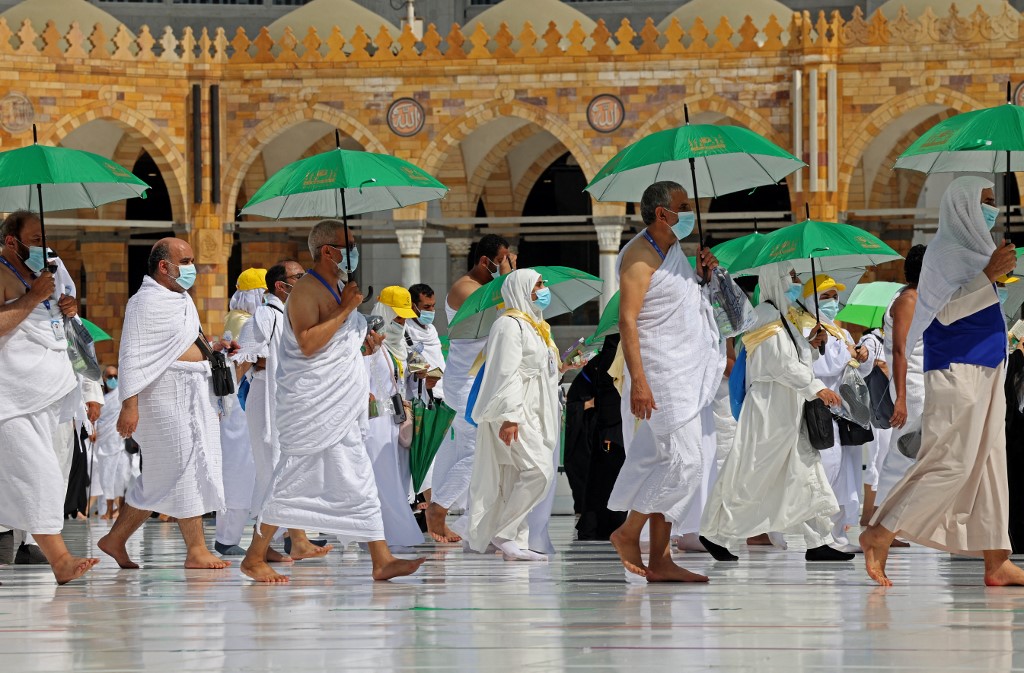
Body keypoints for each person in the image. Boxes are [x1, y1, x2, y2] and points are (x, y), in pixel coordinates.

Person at [861, 176, 1024, 587]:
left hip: (987, 369)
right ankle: (881, 531)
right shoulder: (944, 252)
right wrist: (988, 275)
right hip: (956, 369)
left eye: (993, 201)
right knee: (950, 461)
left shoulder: (981, 251)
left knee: (990, 465)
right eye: (985, 201)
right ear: (963, 205)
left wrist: (992, 271)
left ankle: (996, 561)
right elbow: (943, 313)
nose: (993, 209)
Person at [241, 220, 425, 583]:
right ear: (328, 251)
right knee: (292, 478)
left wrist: (362, 343)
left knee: (359, 481)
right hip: (314, 407)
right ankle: (253, 556)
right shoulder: (307, 290)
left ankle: (381, 558)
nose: (353, 250)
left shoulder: (337, 286)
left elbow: (337, 345)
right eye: (349, 244)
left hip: (339, 407)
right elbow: (308, 343)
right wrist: (347, 308)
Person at [607, 181, 725, 582]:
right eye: (683, 206)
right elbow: (628, 319)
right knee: (686, 461)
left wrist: (701, 277)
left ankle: (660, 559)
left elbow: (680, 302)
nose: (689, 212)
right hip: (660, 372)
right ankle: (628, 532)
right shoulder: (640, 256)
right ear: (662, 213)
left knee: (668, 461)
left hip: (685, 370)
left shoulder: (671, 251)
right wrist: (639, 381)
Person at [700, 263, 852, 561]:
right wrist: (815, 387)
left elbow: (793, 357)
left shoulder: (785, 318)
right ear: (776, 280)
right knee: (750, 473)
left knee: (806, 468)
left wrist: (809, 344)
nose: (795, 282)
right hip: (769, 411)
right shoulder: (766, 316)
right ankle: (714, 533)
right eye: (791, 277)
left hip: (788, 408)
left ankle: (818, 541)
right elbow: (778, 364)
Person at [98, 237, 232, 570]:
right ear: (164, 266)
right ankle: (196, 549)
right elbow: (132, 354)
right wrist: (129, 405)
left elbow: (184, 340)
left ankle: (114, 539)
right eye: (185, 261)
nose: (192, 268)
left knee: (163, 476)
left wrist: (214, 348)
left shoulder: (182, 300)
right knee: (184, 467)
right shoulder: (143, 302)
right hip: (163, 398)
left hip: (192, 394)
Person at [0, 209, 98, 583]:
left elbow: (57, 325)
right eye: (36, 239)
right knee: (34, 475)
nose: (44, 246)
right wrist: (31, 299)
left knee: (48, 477)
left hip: (52, 395)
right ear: (13, 241)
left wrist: (67, 309)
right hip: (13, 400)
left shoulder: (45, 276)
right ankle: (61, 561)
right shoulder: (3, 273)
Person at [452, 269, 563, 560]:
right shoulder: (508, 326)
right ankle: (504, 533)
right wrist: (510, 416)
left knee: (516, 476)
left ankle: (514, 540)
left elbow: (539, 371)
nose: (543, 290)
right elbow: (505, 373)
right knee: (540, 470)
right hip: (514, 413)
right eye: (538, 285)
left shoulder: (537, 326)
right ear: (521, 289)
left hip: (535, 411)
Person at [426, 234, 515, 543]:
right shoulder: (464, 288)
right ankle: (438, 509)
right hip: (465, 382)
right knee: (477, 451)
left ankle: (458, 515)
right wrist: (509, 279)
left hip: (477, 380)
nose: (507, 263)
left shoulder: (489, 289)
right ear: (485, 261)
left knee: (458, 451)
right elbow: (500, 311)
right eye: (503, 258)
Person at [235, 260, 321, 564]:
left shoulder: (294, 315)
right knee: (277, 468)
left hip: (290, 400)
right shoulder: (264, 314)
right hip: (266, 398)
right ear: (281, 286)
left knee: (277, 470)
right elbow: (245, 357)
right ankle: (296, 538)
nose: (305, 279)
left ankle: (264, 545)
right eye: (299, 277)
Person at [792, 274, 869, 552]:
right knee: (824, 472)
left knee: (842, 474)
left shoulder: (840, 331)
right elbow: (819, 367)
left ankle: (837, 535)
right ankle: (820, 536)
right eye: (825, 297)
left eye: (835, 296)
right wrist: (844, 354)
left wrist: (860, 356)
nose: (832, 302)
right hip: (818, 412)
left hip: (843, 414)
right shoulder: (807, 330)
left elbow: (856, 368)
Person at [365, 286, 427, 550]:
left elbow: (400, 385)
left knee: (398, 478)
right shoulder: (366, 345)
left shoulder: (400, 346)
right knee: (382, 477)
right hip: (376, 421)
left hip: (396, 422)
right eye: (397, 318)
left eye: (404, 319)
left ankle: (390, 533)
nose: (402, 323)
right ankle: (383, 535)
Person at [213, 268, 266, 556]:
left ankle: (277, 533)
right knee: (239, 472)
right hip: (239, 408)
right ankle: (227, 536)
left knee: (262, 471)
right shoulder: (243, 323)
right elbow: (240, 364)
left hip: (250, 405)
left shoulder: (249, 320)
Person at [874, 245, 926, 511]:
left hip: (919, 385)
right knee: (901, 456)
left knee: (908, 455)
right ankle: (883, 521)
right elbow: (899, 350)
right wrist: (902, 399)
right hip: (913, 387)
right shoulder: (908, 300)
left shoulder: (915, 296)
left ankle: (888, 520)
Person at [566, 335, 628, 541]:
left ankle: (603, 526)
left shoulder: (610, 357)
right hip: (610, 431)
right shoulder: (611, 358)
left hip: (607, 431)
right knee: (608, 479)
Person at [95, 365, 128, 519]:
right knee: (106, 477)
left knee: (120, 476)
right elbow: (95, 418)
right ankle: (108, 509)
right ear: (104, 378)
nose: (113, 379)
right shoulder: (99, 399)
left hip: (118, 442)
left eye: (116, 376)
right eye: (110, 376)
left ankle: (120, 509)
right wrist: (93, 430)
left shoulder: (121, 395)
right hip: (103, 443)